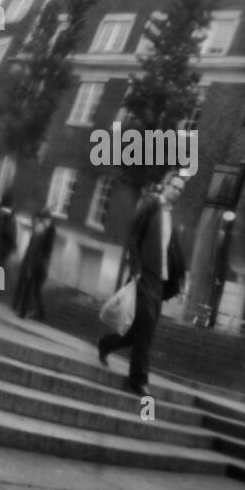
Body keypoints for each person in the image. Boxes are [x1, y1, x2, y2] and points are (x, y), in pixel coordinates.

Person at [97, 169, 187, 396]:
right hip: (144, 277)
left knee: (140, 331)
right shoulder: (150, 205)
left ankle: (106, 344)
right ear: (165, 185)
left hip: (159, 283)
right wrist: (135, 269)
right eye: (174, 186)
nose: (176, 191)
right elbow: (134, 237)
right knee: (145, 331)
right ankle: (137, 380)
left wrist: (179, 283)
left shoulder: (169, 215)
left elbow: (173, 253)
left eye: (180, 189)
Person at [14, 209, 57, 320]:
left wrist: (31, 264)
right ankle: (38, 312)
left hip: (38, 264)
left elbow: (44, 249)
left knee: (31, 288)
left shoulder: (47, 230)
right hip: (37, 263)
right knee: (34, 289)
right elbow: (33, 248)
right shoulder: (41, 230)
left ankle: (24, 312)